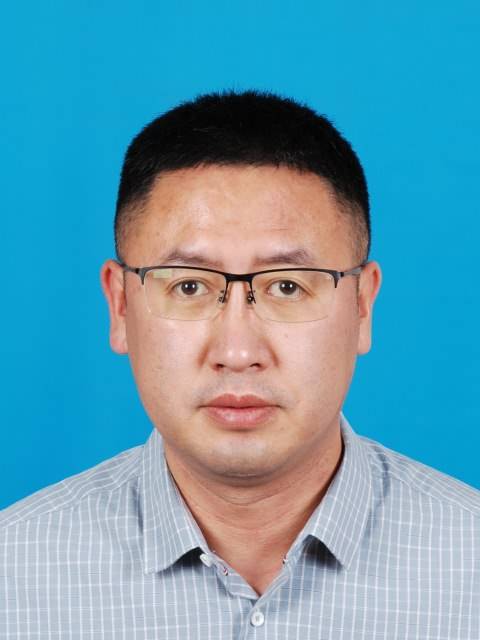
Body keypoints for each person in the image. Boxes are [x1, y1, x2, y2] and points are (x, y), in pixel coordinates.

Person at [1, 90, 478, 639]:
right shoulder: (14, 576)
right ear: (121, 307)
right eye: (188, 286)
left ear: (362, 307)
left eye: (287, 286)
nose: (237, 352)